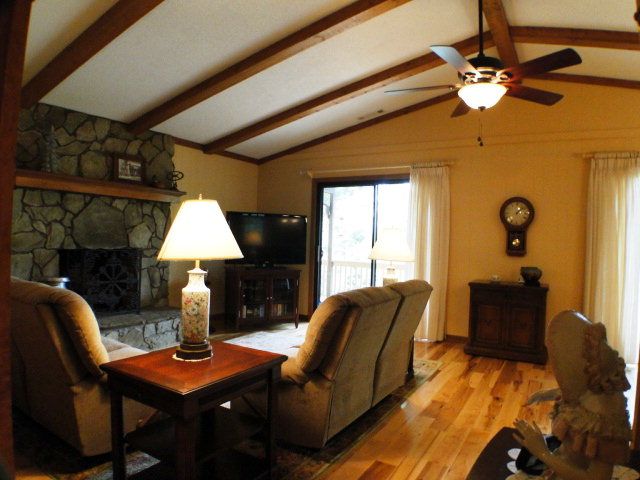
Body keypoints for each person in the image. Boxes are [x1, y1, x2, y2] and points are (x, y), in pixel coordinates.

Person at [513, 310, 634, 480]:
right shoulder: (594, 392)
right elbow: (579, 395)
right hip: (563, 466)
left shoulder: (606, 422)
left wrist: (542, 453)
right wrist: (548, 393)